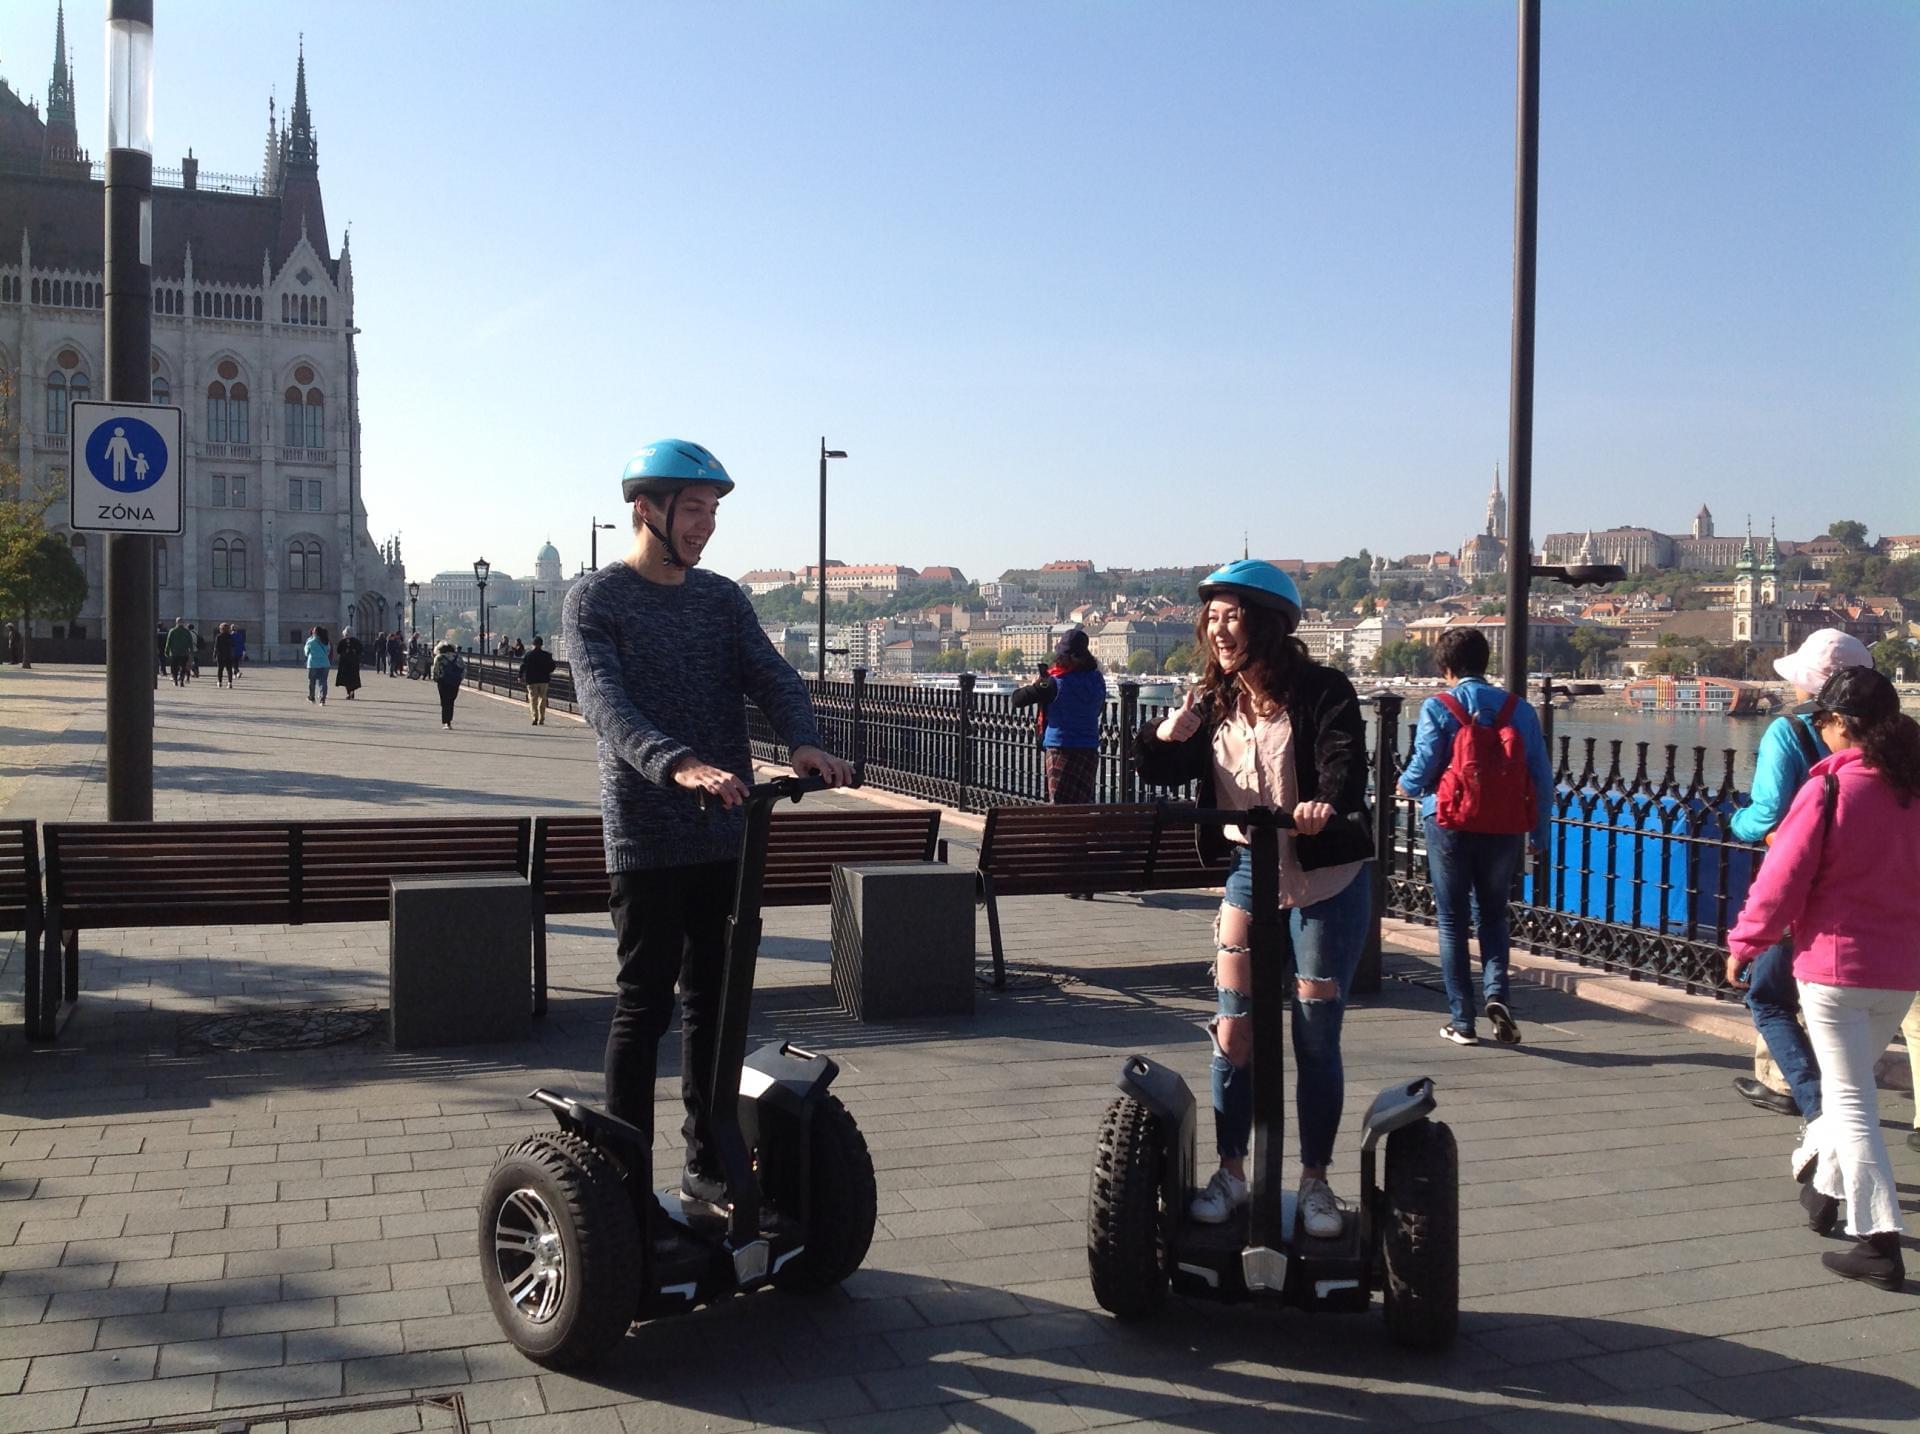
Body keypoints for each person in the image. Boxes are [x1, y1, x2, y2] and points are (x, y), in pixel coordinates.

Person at [564, 437, 853, 1207]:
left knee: (715, 1005)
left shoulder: (722, 599)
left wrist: (803, 740)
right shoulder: (597, 599)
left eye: (713, 511)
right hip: (648, 836)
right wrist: (676, 761)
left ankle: (708, 1161)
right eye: (694, 509)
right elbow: (602, 703)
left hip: (725, 833)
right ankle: (623, 1177)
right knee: (643, 1004)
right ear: (646, 510)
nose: (706, 525)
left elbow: (772, 674)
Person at [1131, 560, 1374, 1236]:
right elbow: (1156, 767)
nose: (1219, 629)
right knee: (1234, 1029)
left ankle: (1317, 1181)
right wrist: (1166, 735)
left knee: (1315, 1031)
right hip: (1250, 870)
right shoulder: (1212, 700)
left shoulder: (1322, 689)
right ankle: (1232, 1170)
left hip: (1325, 878)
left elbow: (1343, 759)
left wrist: (1327, 803)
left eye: (1232, 616)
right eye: (1211, 618)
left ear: (1267, 623)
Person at [1727, 666, 1920, 1291]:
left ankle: (1878, 1241)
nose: (1821, 733)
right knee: (1850, 1086)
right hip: (1901, 970)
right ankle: (1823, 1188)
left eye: (1823, 723)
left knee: (1850, 1104)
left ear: (1841, 724)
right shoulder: (1913, 791)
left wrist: (1746, 943)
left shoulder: (1830, 791)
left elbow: (1782, 879)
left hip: (1836, 968)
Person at [1725, 628, 1872, 1119]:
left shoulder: (1789, 731)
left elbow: (1766, 815)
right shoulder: (1889, 740)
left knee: (1769, 994)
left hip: (1803, 885)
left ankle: (1808, 1099)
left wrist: (1736, 821)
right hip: (1871, 892)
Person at [1396, 627, 1554, 1047]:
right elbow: (1539, 774)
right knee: (1493, 913)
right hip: (1503, 824)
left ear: (1446, 667)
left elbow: (1425, 761)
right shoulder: (1517, 709)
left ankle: (1461, 1021)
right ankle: (1497, 994)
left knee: (1451, 921)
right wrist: (1539, 831)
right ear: (1485, 662)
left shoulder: (1440, 705)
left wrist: (1406, 786)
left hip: (1448, 822)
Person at [1012, 629, 1109, 808]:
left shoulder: (1053, 683)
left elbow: (1018, 699)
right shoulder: (1097, 680)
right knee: (1082, 807)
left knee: (1060, 807)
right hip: (1088, 749)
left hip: (1061, 749)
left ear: (1069, 657)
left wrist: (1037, 683)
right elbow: (1096, 710)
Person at [520, 636, 557, 725]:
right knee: (542, 699)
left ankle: (535, 717)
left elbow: (523, 666)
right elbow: (553, 666)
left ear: (533, 644)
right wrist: (547, 671)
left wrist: (520, 676)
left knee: (533, 699)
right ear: (541, 644)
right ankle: (542, 718)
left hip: (531, 680)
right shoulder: (547, 655)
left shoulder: (528, 655)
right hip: (544, 680)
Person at [431, 641, 464, 728]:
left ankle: (446, 722)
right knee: (451, 701)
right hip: (455, 682)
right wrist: (460, 679)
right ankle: (449, 720)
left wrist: (435, 678)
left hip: (443, 681)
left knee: (444, 701)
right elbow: (463, 669)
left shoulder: (439, 658)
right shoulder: (458, 658)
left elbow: (435, 670)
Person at [303, 626, 331, 704]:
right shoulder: (326, 641)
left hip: (313, 664)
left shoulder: (310, 641)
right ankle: (323, 699)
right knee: (323, 681)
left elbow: (306, 653)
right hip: (325, 664)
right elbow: (328, 652)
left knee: (312, 681)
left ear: (314, 633)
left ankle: (312, 697)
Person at [164, 617, 194, 687]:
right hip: (184, 653)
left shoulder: (172, 631)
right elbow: (190, 643)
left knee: (174, 667)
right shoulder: (187, 632)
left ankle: (175, 680)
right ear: (183, 623)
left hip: (174, 653)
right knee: (183, 667)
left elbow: (168, 642)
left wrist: (166, 651)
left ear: (176, 622)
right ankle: (182, 680)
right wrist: (191, 652)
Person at [335, 628, 364, 701]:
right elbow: (360, 650)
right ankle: (352, 691)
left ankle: (349, 692)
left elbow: (338, 650)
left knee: (346, 678)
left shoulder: (342, 641)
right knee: (353, 678)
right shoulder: (357, 641)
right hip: (354, 662)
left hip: (344, 662)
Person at [213, 623, 237, 688]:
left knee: (220, 669)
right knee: (229, 670)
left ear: (221, 629)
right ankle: (229, 683)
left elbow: (216, 647)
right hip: (228, 654)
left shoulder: (218, 636)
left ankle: (219, 682)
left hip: (220, 655)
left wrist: (214, 655)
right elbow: (233, 645)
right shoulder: (230, 636)